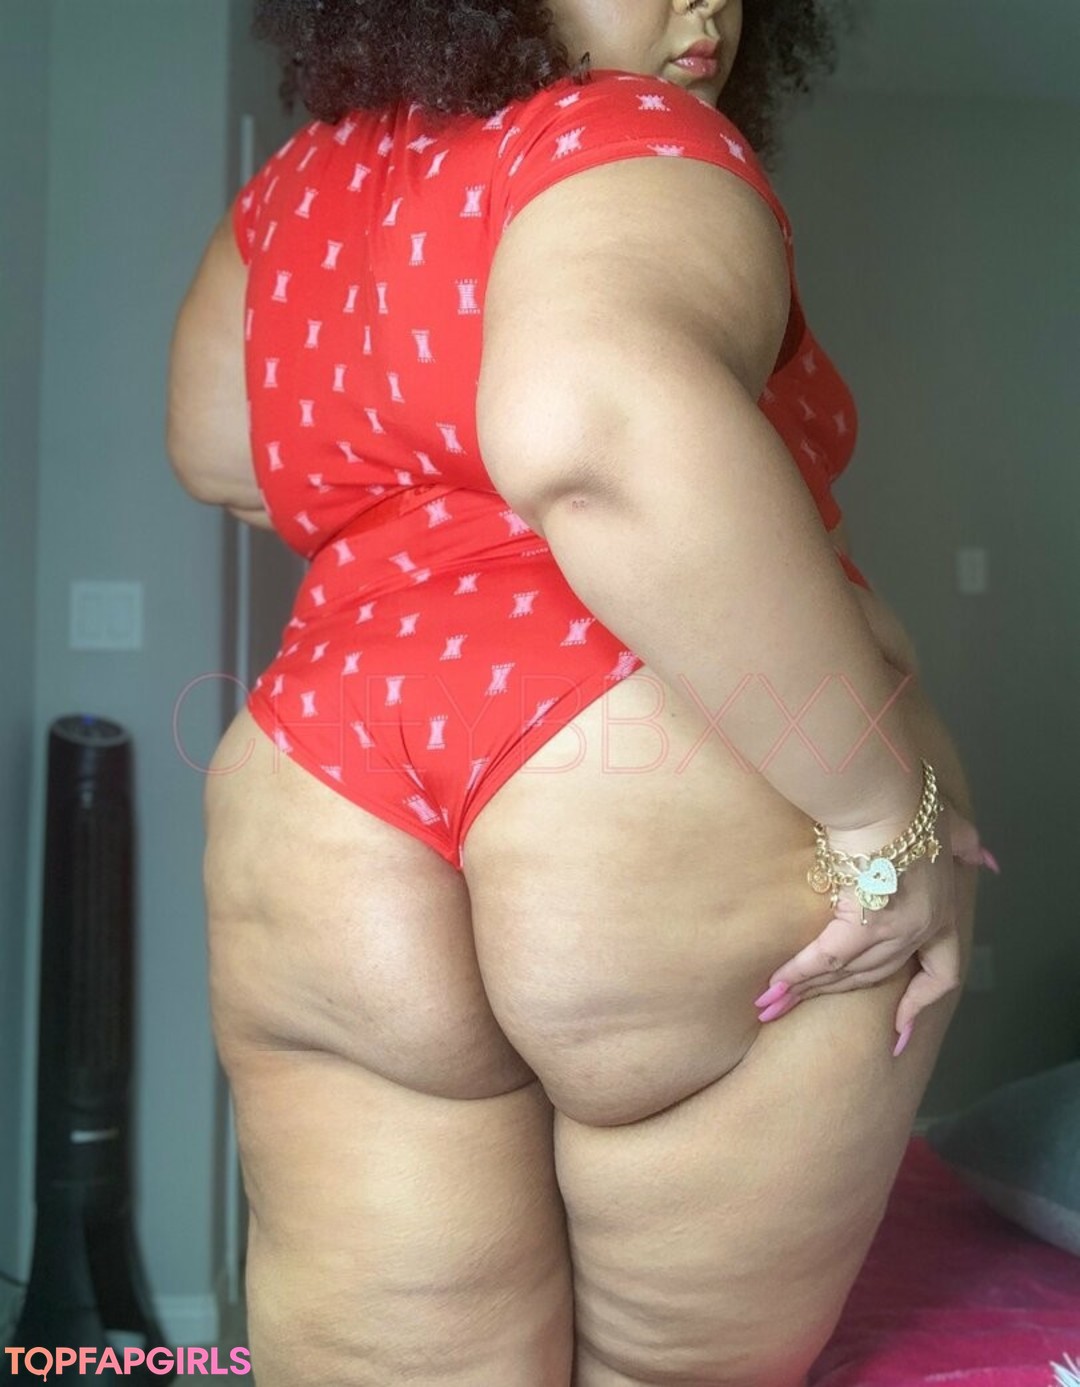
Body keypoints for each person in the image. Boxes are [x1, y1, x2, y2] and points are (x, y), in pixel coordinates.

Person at [166, 1, 998, 1382]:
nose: (705, 4)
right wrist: (880, 818)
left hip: (321, 779)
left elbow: (216, 450)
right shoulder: (628, 131)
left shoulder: (293, 191)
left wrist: (420, 506)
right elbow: (591, 425)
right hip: (638, 746)